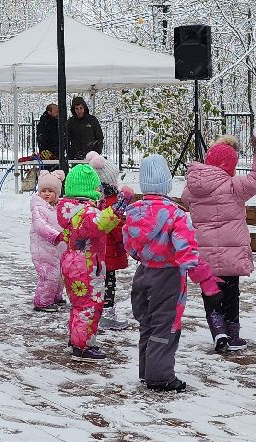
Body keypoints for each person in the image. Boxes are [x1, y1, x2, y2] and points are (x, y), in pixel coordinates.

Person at [123, 155, 219, 393]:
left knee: (147, 324)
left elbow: (129, 244)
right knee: (165, 325)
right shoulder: (175, 215)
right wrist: (205, 279)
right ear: (166, 184)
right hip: (167, 276)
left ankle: (147, 370)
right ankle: (160, 376)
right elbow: (186, 250)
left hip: (143, 273)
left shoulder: (134, 212)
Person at [181, 132, 256, 353]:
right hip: (231, 255)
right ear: (230, 165)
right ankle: (233, 335)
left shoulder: (192, 190)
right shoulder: (234, 186)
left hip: (205, 255)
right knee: (232, 293)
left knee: (210, 293)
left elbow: (185, 198)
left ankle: (218, 331)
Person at [58, 163, 120, 359]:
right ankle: (82, 346)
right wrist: (120, 206)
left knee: (79, 305)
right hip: (85, 264)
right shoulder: (86, 212)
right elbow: (102, 224)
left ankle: (76, 339)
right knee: (89, 306)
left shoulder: (69, 211)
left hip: (71, 261)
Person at [86, 152, 132, 330]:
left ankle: (95, 309)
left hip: (96, 252)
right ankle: (107, 311)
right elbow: (118, 227)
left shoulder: (94, 201)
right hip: (110, 253)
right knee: (109, 282)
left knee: (96, 281)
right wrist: (125, 244)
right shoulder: (114, 202)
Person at [28, 169, 65, 312]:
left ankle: (56, 297)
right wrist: (55, 236)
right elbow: (40, 225)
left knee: (58, 275)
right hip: (42, 250)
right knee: (48, 276)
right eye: (44, 190)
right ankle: (42, 302)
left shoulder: (58, 208)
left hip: (56, 249)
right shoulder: (38, 208)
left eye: (51, 191)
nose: (47, 194)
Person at [65, 96, 104, 161]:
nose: (79, 111)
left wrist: (97, 153)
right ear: (73, 109)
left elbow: (99, 137)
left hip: (91, 156)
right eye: (77, 108)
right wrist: (70, 153)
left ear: (84, 108)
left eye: (81, 108)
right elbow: (66, 139)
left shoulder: (92, 120)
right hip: (76, 156)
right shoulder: (70, 122)